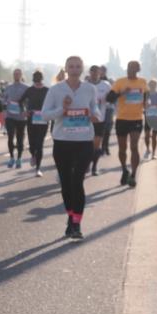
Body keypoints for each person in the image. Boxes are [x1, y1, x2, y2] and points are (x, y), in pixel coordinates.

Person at [41, 56, 103, 239]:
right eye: (71, 66)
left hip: (84, 141)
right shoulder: (56, 90)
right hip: (62, 141)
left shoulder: (90, 89)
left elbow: (96, 109)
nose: (75, 69)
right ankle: (70, 217)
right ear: (66, 69)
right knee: (66, 184)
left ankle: (76, 224)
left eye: (78, 66)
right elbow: (45, 115)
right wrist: (63, 109)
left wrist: (95, 116)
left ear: (82, 69)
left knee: (78, 182)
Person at [106, 60, 149, 188]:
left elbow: (146, 95)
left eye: (133, 68)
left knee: (134, 146)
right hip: (122, 119)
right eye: (129, 67)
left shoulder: (142, 82)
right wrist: (122, 93)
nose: (130, 70)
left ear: (138, 70)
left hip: (136, 119)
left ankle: (133, 175)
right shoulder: (120, 82)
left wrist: (146, 105)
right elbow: (109, 98)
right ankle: (125, 169)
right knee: (122, 148)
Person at [21, 71, 49, 177]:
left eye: (39, 79)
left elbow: (52, 103)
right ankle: (33, 154)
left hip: (43, 119)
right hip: (31, 119)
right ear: (33, 80)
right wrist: (24, 111)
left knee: (40, 144)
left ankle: (38, 168)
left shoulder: (47, 90)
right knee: (32, 144)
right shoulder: (29, 90)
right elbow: (20, 101)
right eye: (36, 79)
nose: (37, 82)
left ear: (42, 79)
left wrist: (48, 112)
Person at [2, 69, 28, 169]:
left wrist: (26, 109)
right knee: (10, 137)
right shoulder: (8, 87)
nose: (16, 75)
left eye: (18, 74)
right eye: (14, 74)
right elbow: (2, 99)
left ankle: (19, 158)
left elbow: (30, 101)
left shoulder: (26, 88)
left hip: (21, 117)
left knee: (20, 139)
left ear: (21, 75)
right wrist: (5, 107)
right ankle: (12, 157)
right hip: (10, 116)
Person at [87, 65, 111, 176]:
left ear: (100, 73)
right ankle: (86, 164)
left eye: (96, 72)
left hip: (100, 118)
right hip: (86, 119)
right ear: (89, 73)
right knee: (87, 144)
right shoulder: (84, 85)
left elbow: (112, 99)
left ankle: (94, 167)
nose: (94, 74)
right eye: (92, 72)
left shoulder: (106, 85)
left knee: (96, 144)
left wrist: (108, 101)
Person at [143, 79, 157, 159]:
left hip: (156, 117)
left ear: (156, 86)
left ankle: (153, 153)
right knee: (146, 135)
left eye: (154, 85)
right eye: (151, 85)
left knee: (154, 136)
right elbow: (141, 105)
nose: (152, 86)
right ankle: (147, 149)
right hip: (148, 117)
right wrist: (145, 106)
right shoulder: (145, 94)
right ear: (149, 86)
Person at [99, 65, 115, 155]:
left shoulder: (109, 82)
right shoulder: (94, 82)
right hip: (98, 108)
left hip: (108, 108)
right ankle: (97, 147)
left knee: (107, 129)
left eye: (103, 71)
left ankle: (105, 147)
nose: (102, 72)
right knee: (99, 129)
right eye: (100, 70)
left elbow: (113, 94)